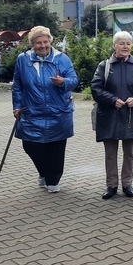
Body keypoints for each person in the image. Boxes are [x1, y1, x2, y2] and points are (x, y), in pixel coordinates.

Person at [12, 25, 79, 193]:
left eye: (45, 41)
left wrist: (63, 82)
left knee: (56, 148)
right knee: (30, 146)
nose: (42, 46)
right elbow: (18, 85)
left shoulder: (62, 59)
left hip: (58, 111)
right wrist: (17, 105)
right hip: (32, 111)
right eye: (38, 43)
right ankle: (43, 171)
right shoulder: (23, 59)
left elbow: (74, 80)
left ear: (50, 41)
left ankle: (53, 180)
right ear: (32, 44)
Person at [91, 31, 133, 200]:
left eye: (128, 43)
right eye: (121, 43)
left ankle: (127, 184)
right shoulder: (104, 66)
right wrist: (112, 100)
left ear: (132, 46)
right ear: (114, 46)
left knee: (129, 152)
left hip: (131, 114)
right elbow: (96, 89)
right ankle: (111, 185)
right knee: (110, 153)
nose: (125, 46)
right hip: (109, 114)